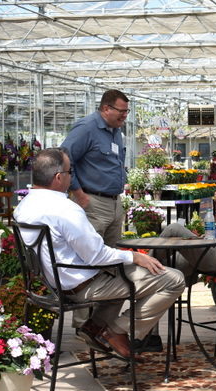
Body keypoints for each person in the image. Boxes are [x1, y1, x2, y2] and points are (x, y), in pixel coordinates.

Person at [14, 148, 185, 359]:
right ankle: (116, 331)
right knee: (174, 279)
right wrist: (135, 256)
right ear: (58, 177)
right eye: (70, 172)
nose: (72, 177)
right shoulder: (65, 209)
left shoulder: (23, 206)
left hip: (53, 284)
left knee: (122, 270)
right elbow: (96, 256)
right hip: (80, 286)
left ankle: (94, 327)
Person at [61, 89, 129, 331]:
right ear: (106, 108)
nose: (125, 116)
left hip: (113, 202)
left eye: (127, 112)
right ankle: (83, 324)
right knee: (88, 261)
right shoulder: (86, 128)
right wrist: (78, 193)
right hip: (93, 202)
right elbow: (63, 159)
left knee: (112, 263)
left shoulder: (116, 131)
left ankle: (100, 324)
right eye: (121, 111)